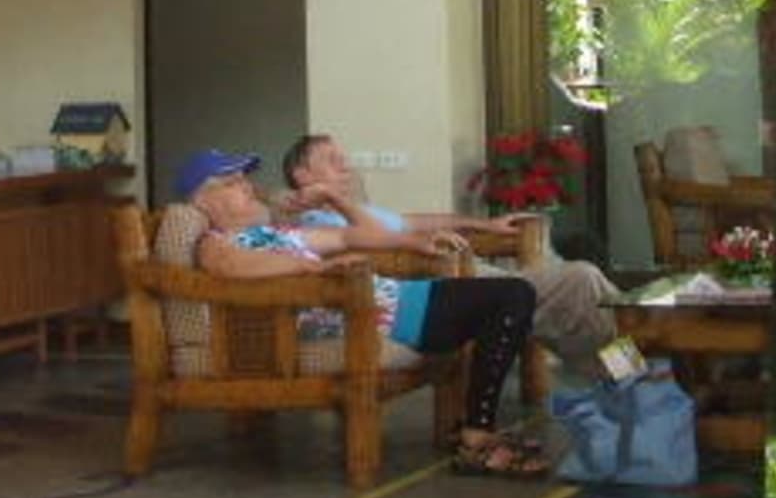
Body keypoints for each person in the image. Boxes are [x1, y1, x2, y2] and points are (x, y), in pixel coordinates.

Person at [175, 147, 549, 477]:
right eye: (233, 182)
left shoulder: (276, 233)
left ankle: (476, 430)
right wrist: (314, 268)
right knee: (512, 297)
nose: (248, 187)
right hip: (381, 317)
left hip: (399, 298)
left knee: (513, 296)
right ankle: (477, 436)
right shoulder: (214, 242)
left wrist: (411, 240)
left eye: (246, 178)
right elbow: (232, 267)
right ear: (204, 202)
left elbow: (352, 234)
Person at [279, 133, 619, 378]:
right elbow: (371, 244)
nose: (345, 165)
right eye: (331, 159)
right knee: (580, 281)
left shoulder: (361, 211)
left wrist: (485, 224)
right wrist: (336, 202)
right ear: (302, 175)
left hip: (467, 272)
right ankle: (626, 369)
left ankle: (625, 366)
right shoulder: (314, 222)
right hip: (440, 284)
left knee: (585, 286)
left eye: (343, 157)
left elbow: (419, 221)